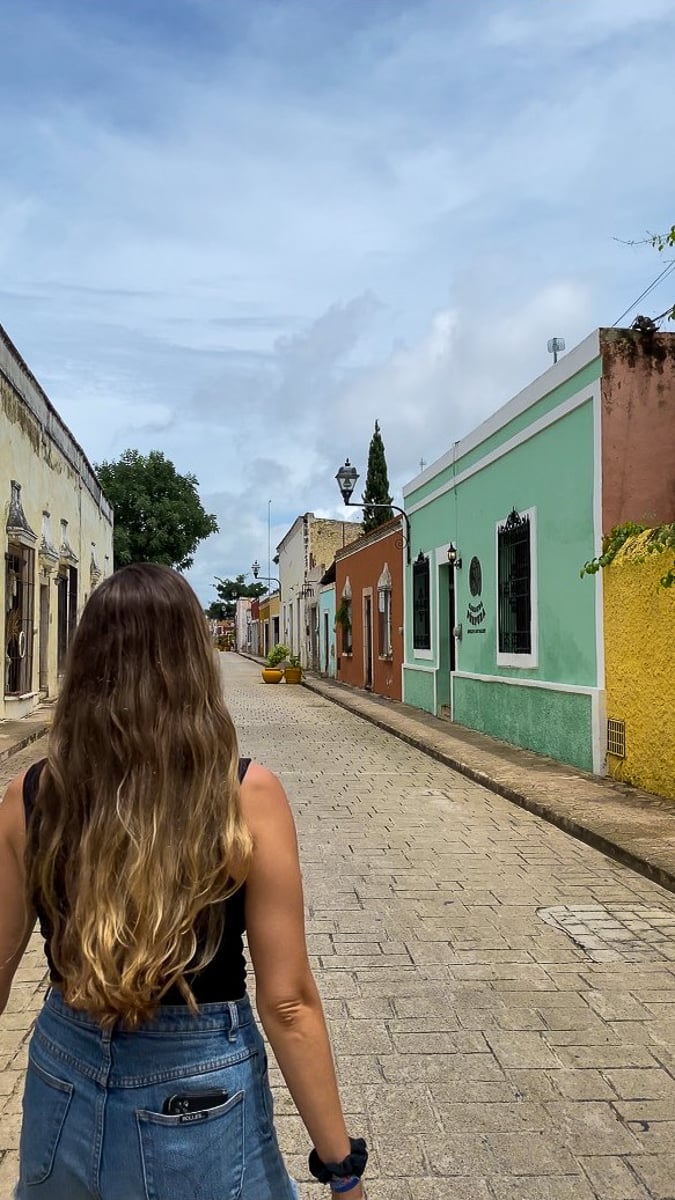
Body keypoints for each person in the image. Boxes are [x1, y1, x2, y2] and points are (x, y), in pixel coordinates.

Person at [0, 563, 368, 1199]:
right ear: (195, 665)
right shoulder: (246, 798)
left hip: (62, 1076)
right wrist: (341, 1170)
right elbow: (288, 1003)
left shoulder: (30, 798)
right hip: (196, 1098)